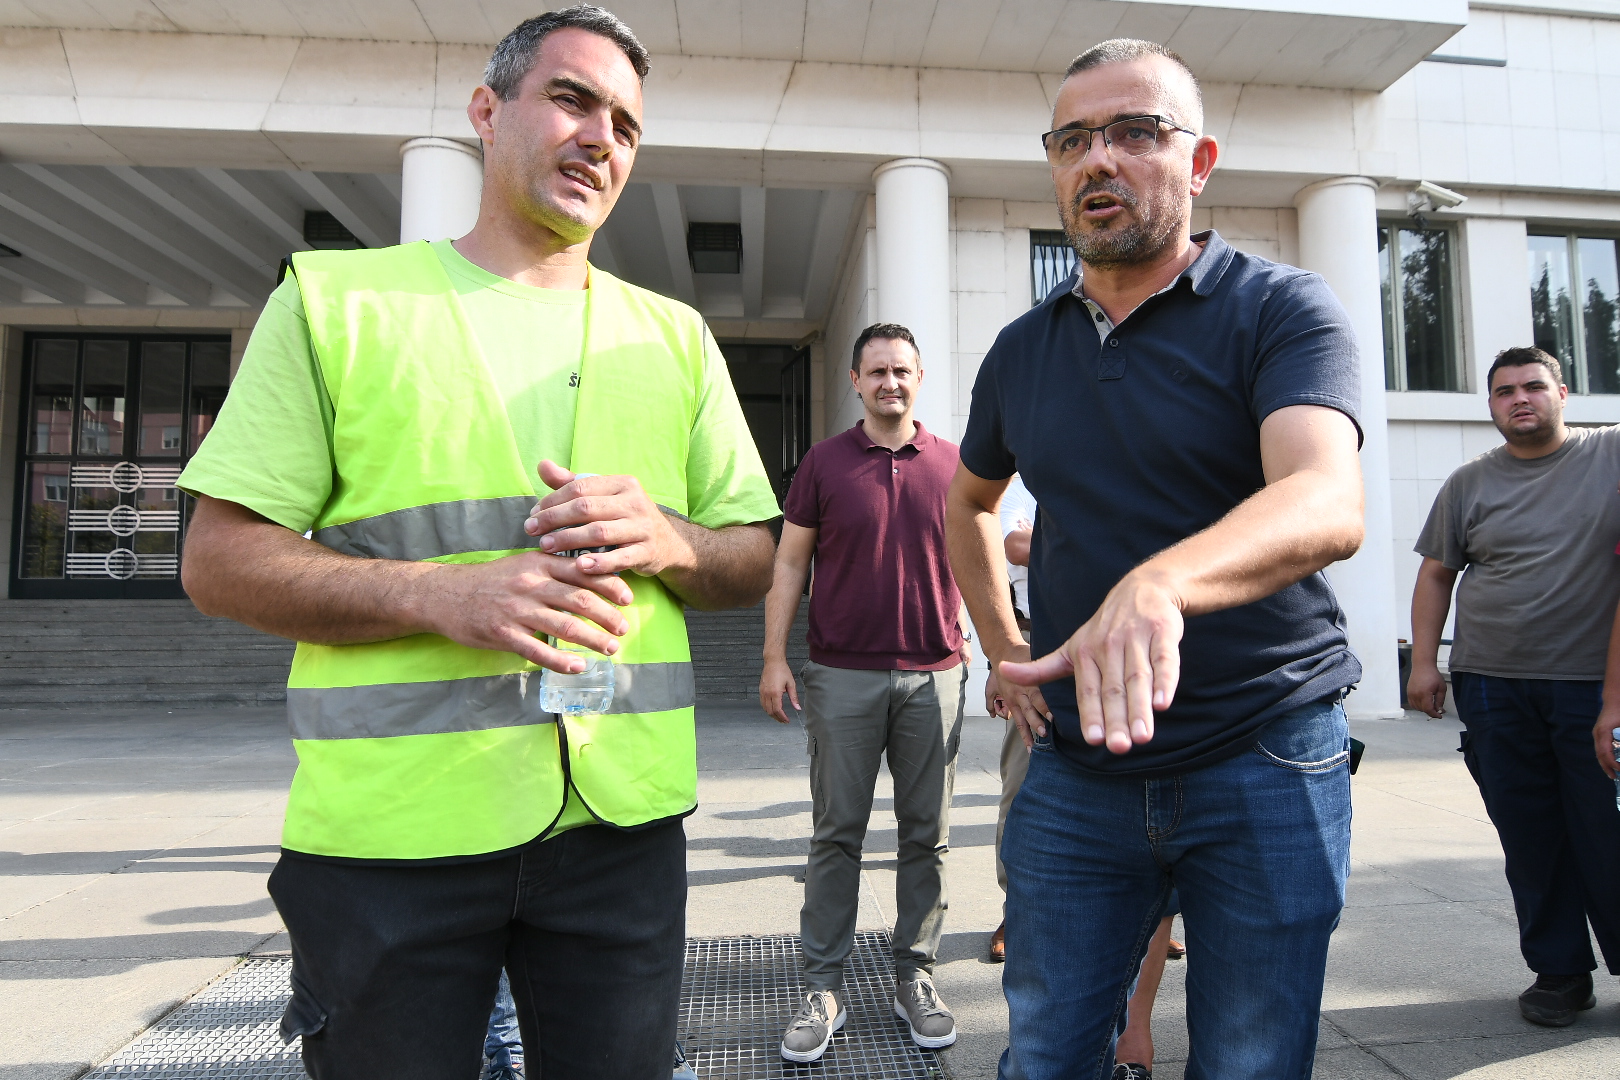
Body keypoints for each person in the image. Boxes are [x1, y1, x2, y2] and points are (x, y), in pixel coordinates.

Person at [177, 8, 780, 1079]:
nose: (602, 137)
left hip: (622, 834)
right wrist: (443, 597)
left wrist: (670, 540)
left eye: (628, 126)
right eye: (573, 99)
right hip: (389, 843)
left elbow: (753, 557)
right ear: (486, 111)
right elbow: (217, 560)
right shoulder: (337, 303)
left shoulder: (675, 337)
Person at [946, 38, 1367, 1079]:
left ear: (1200, 159)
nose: (1101, 159)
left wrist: (1161, 582)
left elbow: (1323, 496)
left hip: (1265, 750)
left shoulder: (1281, 308)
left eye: (1136, 132)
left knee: (1251, 1059)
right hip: (1080, 771)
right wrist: (1004, 649)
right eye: (1074, 139)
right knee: (1045, 1053)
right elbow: (966, 506)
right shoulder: (1021, 350)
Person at [758, 323, 971, 1063]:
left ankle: (915, 976)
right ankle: (823, 987)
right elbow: (789, 566)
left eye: (902, 370)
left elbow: (975, 563)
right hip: (841, 675)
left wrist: (993, 650)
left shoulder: (953, 464)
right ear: (855, 380)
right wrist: (773, 658)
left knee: (928, 838)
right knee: (835, 835)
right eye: (877, 371)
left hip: (934, 674)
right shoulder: (822, 464)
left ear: (920, 378)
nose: (890, 382)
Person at [1408, 346, 1620, 1028]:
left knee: (1606, 832)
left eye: (1533, 386)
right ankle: (1560, 973)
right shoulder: (1470, 482)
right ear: (1492, 407)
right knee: (1530, 836)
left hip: (1593, 685)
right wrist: (1423, 664)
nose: (1519, 399)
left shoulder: (1611, 456)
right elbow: (1438, 572)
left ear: (1565, 392)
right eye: (1504, 392)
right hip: (1494, 686)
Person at [989, 473, 1035, 962]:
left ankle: (1149, 922)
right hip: (1034, 644)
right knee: (1021, 789)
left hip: (1111, 641)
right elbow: (1013, 546)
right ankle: (1015, 910)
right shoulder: (1017, 484)